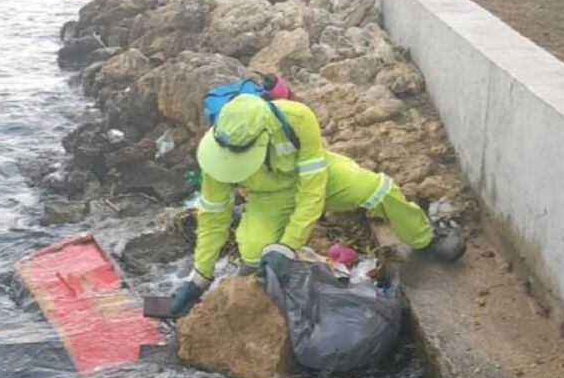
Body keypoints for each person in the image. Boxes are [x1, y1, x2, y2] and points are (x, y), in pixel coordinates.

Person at [170, 93, 464, 315]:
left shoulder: (297, 119)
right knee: (253, 252)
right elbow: (212, 217)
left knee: (378, 189)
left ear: (264, 135)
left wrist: (287, 245)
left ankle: (424, 237)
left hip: (321, 177)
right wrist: (199, 277)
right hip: (269, 198)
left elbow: (312, 192)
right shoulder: (216, 154)